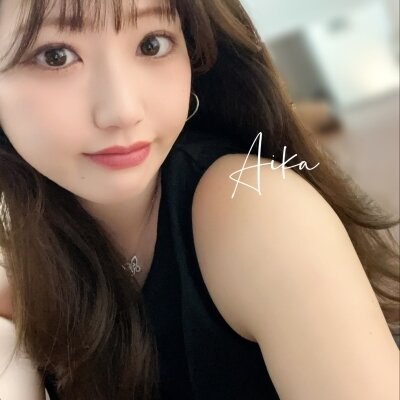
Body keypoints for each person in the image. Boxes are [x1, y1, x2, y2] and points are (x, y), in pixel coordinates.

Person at [0, 0, 399, 399]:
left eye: (152, 44)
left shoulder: (256, 209)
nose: (123, 110)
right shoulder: (29, 242)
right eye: (55, 56)